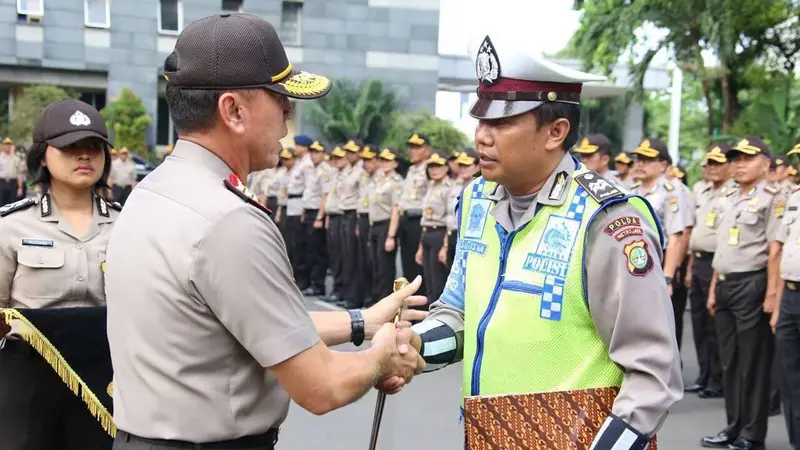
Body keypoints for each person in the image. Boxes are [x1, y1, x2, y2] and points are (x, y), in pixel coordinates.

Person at [105, 13, 427, 450]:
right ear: (233, 110)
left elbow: (246, 322)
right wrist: (382, 357)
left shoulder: (153, 191)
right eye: (281, 100)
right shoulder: (227, 220)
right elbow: (321, 386)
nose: (289, 118)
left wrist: (363, 322)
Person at [410, 34, 682, 449]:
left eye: (501, 123)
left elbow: (653, 374)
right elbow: (460, 313)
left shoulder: (606, 220)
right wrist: (413, 348)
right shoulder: (476, 200)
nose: (482, 136)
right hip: (487, 436)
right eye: (481, 120)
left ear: (556, 131)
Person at [0, 98, 119, 449]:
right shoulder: (11, 226)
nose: (84, 156)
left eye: (93, 147)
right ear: (42, 156)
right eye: (70, 147)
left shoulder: (130, 224)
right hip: (29, 379)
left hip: (106, 380)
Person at [702, 137, 786, 450]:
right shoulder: (728, 196)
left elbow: (774, 249)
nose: (739, 163)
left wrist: (772, 295)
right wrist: (713, 288)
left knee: (753, 362)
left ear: (766, 163)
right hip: (724, 283)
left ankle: (753, 433)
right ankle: (733, 426)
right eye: (735, 158)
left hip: (752, 283)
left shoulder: (773, 198)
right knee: (730, 363)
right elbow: (721, 248)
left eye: (747, 158)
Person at [630, 138, 691, 344]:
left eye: (647, 159)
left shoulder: (672, 193)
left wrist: (667, 278)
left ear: (663, 165)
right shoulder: (633, 190)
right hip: (634, 260)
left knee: (661, 330)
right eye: (638, 158)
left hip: (658, 262)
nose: (640, 163)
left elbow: (676, 236)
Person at [684, 144, 729, 399]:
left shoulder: (731, 193)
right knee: (699, 321)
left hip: (716, 261)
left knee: (714, 324)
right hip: (698, 259)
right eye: (709, 163)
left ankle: (716, 378)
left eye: (718, 163)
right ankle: (704, 374)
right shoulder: (701, 190)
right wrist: (690, 266)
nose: (712, 168)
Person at [773, 179, 800, 450]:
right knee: (790, 376)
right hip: (791, 294)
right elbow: (782, 250)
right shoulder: (794, 197)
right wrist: (777, 301)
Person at [394, 133, 431, 294]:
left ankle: (421, 305)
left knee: (418, 266)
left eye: (417, 148)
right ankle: (411, 300)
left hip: (418, 220)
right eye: (411, 148)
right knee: (407, 263)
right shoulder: (411, 169)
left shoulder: (430, 169)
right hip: (405, 219)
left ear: (427, 150)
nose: (413, 151)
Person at [415, 149, 452, 303]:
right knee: (428, 280)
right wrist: (420, 246)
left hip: (439, 235)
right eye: (431, 167)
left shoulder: (449, 187)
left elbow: (449, 219)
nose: (434, 170)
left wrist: (445, 246)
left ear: (446, 167)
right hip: (426, 234)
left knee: (438, 282)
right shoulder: (430, 186)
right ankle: (429, 315)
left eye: (438, 166)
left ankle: (438, 318)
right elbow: (425, 217)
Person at [369, 148, 404, 305]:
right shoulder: (379, 179)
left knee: (385, 268)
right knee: (375, 265)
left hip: (386, 225)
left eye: (388, 161)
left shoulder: (396, 183)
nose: (384, 163)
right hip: (374, 225)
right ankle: (376, 299)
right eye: (382, 160)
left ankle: (386, 303)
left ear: (395, 163)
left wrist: (391, 235)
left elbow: (395, 210)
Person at [441, 148, 479, 268]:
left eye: (467, 165)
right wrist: (445, 245)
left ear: (478, 166)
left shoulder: (481, 187)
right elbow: (450, 217)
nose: (462, 169)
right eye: (461, 165)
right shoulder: (455, 185)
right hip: (453, 236)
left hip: (470, 241)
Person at [339, 139, 366, 308]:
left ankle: (356, 296)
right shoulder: (347, 169)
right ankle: (348, 293)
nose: (349, 154)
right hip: (344, 213)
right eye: (347, 151)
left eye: (352, 151)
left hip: (355, 215)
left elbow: (363, 195)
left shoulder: (362, 170)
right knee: (346, 256)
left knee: (355, 258)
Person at [300, 140, 329, 297]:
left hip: (317, 213)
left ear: (324, 154)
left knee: (317, 251)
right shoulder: (312, 170)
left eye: (317, 152)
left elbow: (325, 195)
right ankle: (312, 282)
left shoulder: (325, 171)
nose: (314, 155)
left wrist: (319, 217)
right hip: (309, 211)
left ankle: (318, 284)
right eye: (312, 152)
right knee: (309, 249)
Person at [356, 145, 379, 305]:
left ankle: (375, 297)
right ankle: (367, 295)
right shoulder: (366, 177)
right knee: (364, 260)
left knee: (375, 263)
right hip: (363, 219)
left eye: (369, 160)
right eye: (364, 160)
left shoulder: (381, 177)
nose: (366, 164)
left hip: (375, 221)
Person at [324, 146, 346, 305]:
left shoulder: (350, 174)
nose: (335, 161)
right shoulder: (336, 174)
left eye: (339, 158)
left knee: (344, 258)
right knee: (335, 256)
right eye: (334, 158)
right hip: (332, 216)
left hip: (342, 217)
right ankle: (337, 289)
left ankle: (342, 291)